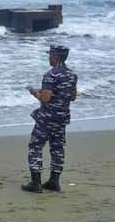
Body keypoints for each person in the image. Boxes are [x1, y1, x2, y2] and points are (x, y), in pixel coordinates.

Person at [22, 44, 78, 193]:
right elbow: (72, 97)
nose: (49, 57)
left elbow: (45, 98)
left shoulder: (51, 75)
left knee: (35, 146)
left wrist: (35, 92)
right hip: (62, 118)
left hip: (47, 118)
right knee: (57, 148)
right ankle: (54, 181)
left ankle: (36, 182)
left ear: (55, 56)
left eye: (50, 54)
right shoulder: (72, 75)